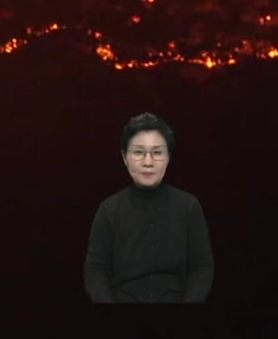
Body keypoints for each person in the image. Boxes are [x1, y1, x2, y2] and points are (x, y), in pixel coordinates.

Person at [84, 112, 214, 303]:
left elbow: (201, 267)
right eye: (138, 152)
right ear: (124, 157)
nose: (147, 162)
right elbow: (95, 269)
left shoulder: (189, 206)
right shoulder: (108, 210)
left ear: (169, 156)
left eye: (157, 152)